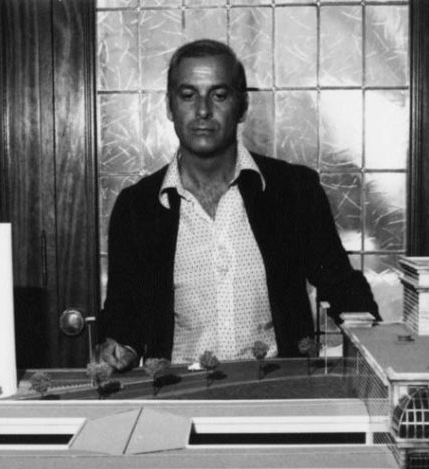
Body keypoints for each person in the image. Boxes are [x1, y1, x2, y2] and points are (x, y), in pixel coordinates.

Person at [98, 39, 379, 372]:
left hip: (277, 395)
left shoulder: (294, 190)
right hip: (176, 396)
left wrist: (372, 348)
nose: (203, 110)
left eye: (219, 95)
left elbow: (343, 288)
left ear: (242, 105)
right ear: (170, 107)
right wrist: (119, 346)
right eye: (188, 96)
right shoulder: (137, 207)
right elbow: (122, 313)